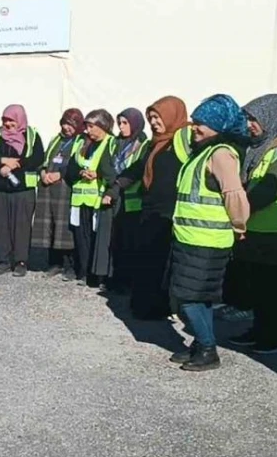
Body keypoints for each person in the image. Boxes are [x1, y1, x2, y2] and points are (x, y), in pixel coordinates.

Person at [168, 94, 249, 371]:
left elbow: (234, 194)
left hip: (207, 241)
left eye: (201, 123)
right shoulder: (203, 150)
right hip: (191, 238)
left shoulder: (221, 153)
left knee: (188, 297)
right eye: (195, 121)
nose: (195, 127)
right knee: (197, 296)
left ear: (218, 126)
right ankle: (202, 343)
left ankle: (207, 348)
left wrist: (239, 225)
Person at [111, 96, 192, 319]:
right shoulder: (155, 143)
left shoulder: (184, 138)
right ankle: (144, 304)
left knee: (160, 260)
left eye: (158, 118)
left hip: (170, 210)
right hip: (151, 208)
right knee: (147, 257)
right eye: (151, 118)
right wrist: (118, 184)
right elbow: (138, 168)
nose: (154, 122)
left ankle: (155, 305)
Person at [219, 93, 277, 323]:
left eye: (255, 119)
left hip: (274, 230)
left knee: (271, 290)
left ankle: (271, 338)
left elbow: (268, 189)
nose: (249, 125)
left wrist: (238, 210)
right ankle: (254, 323)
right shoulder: (255, 146)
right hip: (255, 226)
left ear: (271, 117)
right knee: (255, 280)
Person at [0, 104, 45, 277]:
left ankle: (21, 261)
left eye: (12, 120)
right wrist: (2, 162)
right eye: (5, 120)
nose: (8, 124)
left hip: (23, 189)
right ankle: (2, 260)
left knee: (22, 226)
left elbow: (38, 157)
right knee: (0, 224)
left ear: (20, 120)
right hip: (0, 188)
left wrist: (16, 164)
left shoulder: (31, 136)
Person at [99, 108, 147, 293]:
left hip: (133, 198)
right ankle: (114, 277)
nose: (121, 127)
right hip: (114, 194)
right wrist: (114, 183)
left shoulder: (143, 143)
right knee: (114, 239)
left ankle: (128, 279)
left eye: (125, 123)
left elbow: (138, 170)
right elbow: (105, 163)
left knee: (130, 240)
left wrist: (119, 184)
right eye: (120, 123)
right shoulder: (115, 142)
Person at [65, 110, 116, 287]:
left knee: (97, 239)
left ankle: (97, 276)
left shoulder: (110, 143)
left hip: (98, 198)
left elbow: (112, 169)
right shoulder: (82, 142)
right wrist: (80, 173)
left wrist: (97, 174)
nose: (87, 130)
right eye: (86, 126)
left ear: (102, 126)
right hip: (80, 198)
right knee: (82, 238)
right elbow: (70, 167)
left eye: (91, 126)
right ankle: (84, 272)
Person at [33, 109, 83, 277]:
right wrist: (43, 172)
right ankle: (54, 262)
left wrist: (59, 174)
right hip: (48, 190)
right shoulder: (57, 140)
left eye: (70, 124)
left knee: (65, 227)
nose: (66, 127)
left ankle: (70, 265)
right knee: (50, 225)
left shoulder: (80, 141)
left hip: (65, 189)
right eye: (64, 123)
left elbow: (77, 165)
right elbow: (45, 160)